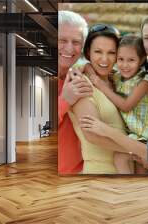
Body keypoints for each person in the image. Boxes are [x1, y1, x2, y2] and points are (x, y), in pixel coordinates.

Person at [90, 34, 148, 174]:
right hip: (133, 134)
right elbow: (90, 68)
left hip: (146, 135)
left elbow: (126, 106)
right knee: (128, 163)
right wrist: (84, 67)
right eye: (120, 59)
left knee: (121, 158)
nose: (124, 65)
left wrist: (101, 86)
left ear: (141, 61)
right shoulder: (117, 76)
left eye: (131, 60)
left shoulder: (145, 81)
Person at [68, 24, 128, 174]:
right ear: (88, 52)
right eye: (98, 52)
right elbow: (92, 135)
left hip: (128, 169)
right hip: (101, 171)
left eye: (111, 52)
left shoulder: (118, 81)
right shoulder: (80, 83)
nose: (104, 59)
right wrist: (140, 150)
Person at [58, 10, 92, 174]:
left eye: (76, 42)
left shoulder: (81, 78)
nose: (69, 48)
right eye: (62, 40)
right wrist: (64, 100)